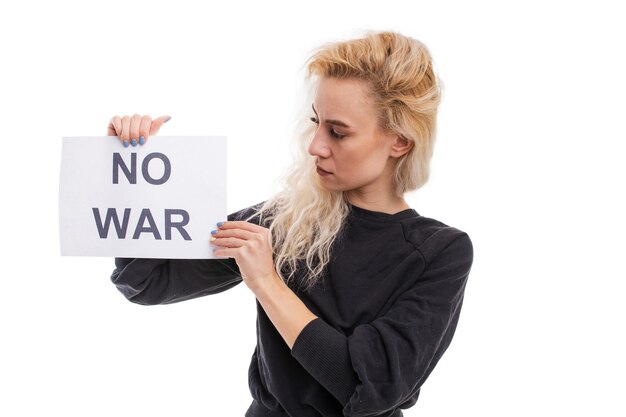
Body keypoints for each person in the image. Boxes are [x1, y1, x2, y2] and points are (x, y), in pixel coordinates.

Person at [107, 30, 474, 417]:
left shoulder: (440, 252)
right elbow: (145, 280)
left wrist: (267, 282)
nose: (315, 145)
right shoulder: (286, 220)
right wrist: (134, 173)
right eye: (316, 123)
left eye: (337, 132)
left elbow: (366, 387)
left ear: (399, 141)